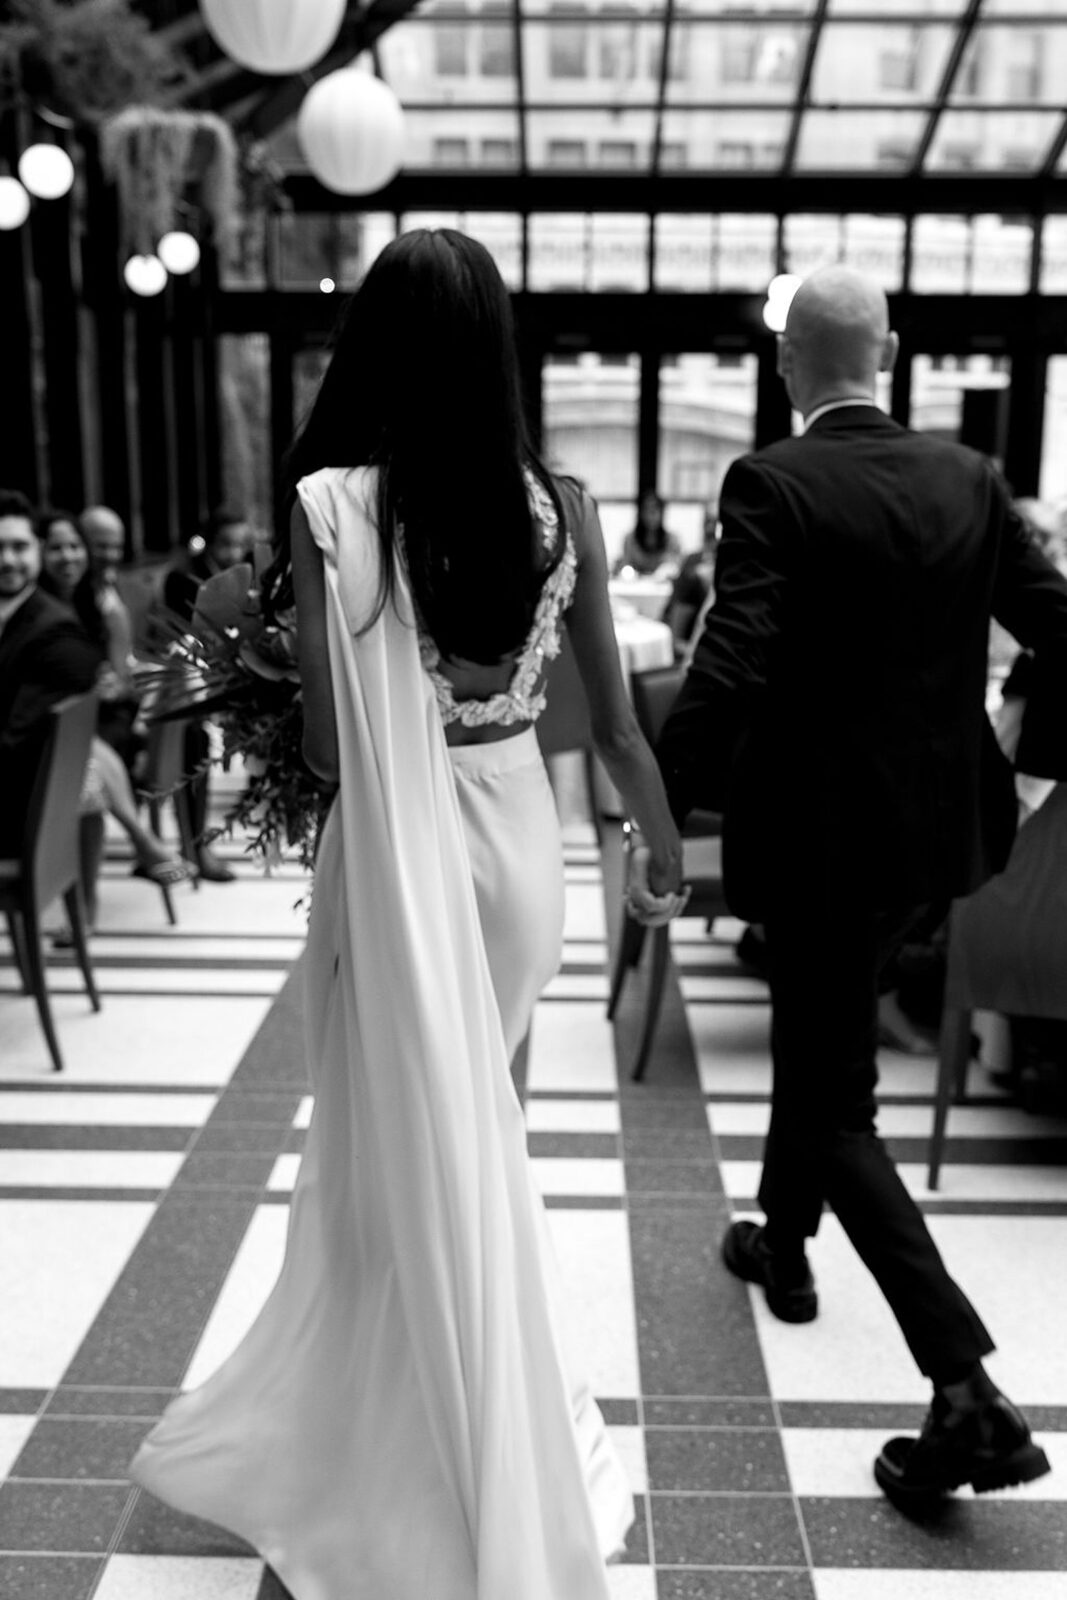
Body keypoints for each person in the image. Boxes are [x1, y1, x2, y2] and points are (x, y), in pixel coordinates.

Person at [131, 228, 686, 1598]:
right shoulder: (561, 502)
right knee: (477, 1146)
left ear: (375, 347)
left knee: (399, 1160)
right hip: (519, 860)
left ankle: (404, 1454)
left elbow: (330, 751)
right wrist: (660, 856)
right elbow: (609, 727)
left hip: (402, 862)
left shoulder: (337, 507)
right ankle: (477, 1423)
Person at [656, 264, 1067, 1509]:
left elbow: (727, 664)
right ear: (885, 355)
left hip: (818, 846)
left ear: (788, 367)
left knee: (836, 1107)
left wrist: (655, 815)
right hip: (936, 844)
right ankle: (780, 1246)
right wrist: (1021, 769)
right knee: (822, 1040)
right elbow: (1059, 624)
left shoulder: (771, 480)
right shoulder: (966, 477)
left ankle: (964, 1393)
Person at [37, 511, 192, 929]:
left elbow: (124, 680)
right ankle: (142, 840)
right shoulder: (33, 607)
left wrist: (111, 686)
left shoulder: (105, 605)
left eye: (73, 546)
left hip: (109, 722)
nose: (67, 556)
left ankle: (85, 907)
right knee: (75, 752)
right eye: (55, 547)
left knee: (79, 760)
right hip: (59, 724)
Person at [0, 491, 99, 855]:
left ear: (37, 549)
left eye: (18, 546)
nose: (7, 560)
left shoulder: (56, 633)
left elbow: (16, 748)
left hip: (17, 818)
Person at [160, 507, 256, 882]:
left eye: (240, 544)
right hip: (191, 675)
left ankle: (257, 786)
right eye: (226, 544)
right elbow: (181, 634)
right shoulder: (183, 578)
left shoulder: (250, 572)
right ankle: (195, 841)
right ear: (211, 542)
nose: (234, 553)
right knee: (194, 734)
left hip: (234, 669)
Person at [663, 497, 719, 657]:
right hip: (688, 634)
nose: (710, 529)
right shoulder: (693, 559)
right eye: (707, 522)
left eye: (715, 523)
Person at [613, 487, 683, 576]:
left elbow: (677, 567)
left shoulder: (672, 540)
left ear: (661, 513)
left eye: (655, 510)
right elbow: (625, 565)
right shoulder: (630, 539)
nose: (651, 515)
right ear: (640, 513)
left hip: (663, 587)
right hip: (636, 587)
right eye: (647, 510)